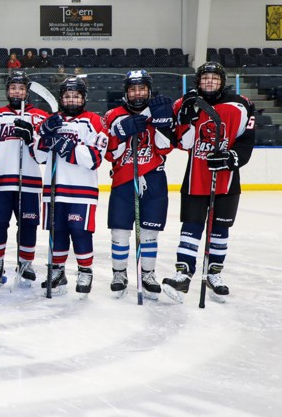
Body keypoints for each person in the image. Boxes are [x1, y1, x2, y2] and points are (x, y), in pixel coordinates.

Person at [161, 62, 255, 303]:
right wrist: (188, 119)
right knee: (191, 228)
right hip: (195, 179)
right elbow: (182, 143)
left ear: (222, 81)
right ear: (198, 81)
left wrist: (231, 157)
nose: (210, 82)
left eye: (214, 78)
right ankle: (183, 274)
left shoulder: (240, 104)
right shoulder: (185, 103)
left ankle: (214, 274)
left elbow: (246, 140)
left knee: (220, 230)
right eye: (205, 78)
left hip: (227, 181)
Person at [103, 70, 175, 299]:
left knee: (150, 232)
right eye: (133, 89)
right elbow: (109, 153)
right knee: (120, 232)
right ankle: (119, 273)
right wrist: (123, 133)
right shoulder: (113, 114)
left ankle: (148, 274)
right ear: (126, 91)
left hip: (153, 178)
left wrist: (163, 124)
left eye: (142, 88)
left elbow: (164, 148)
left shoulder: (159, 112)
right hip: (124, 180)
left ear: (149, 90)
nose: (137, 93)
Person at [36, 77, 109, 297]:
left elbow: (95, 158)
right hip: (54, 189)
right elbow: (38, 156)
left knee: (80, 232)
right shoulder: (51, 121)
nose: (71, 99)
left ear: (83, 98)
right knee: (57, 232)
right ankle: (58, 271)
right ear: (61, 98)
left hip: (82, 190)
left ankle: (85, 271)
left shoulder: (94, 121)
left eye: (76, 95)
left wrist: (67, 146)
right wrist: (44, 134)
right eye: (67, 96)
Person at [0, 70, 48, 287]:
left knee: (28, 224)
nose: (17, 92)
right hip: (1, 181)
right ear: (7, 90)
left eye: (21, 88)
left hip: (29, 182)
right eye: (13, 88)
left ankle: (25, 263)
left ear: (27, 91)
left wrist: (32, 139)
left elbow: (44, 155)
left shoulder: (40, 117)